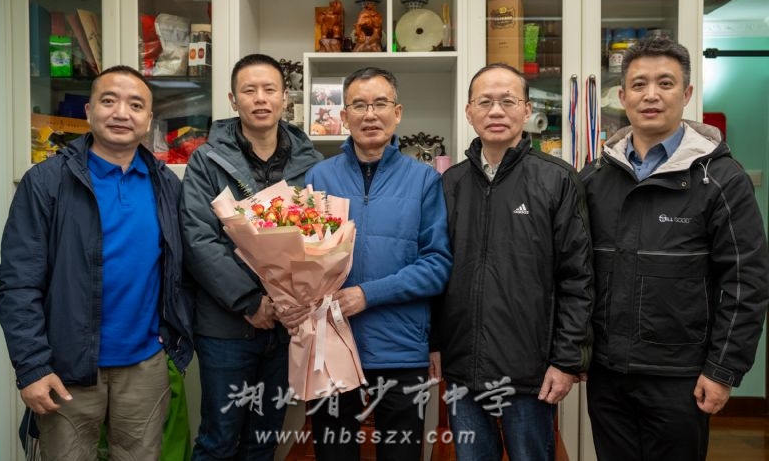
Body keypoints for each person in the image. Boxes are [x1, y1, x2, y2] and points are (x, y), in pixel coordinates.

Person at [580, 37, 769, 460]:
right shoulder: (595, 177)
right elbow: (576, 273)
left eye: (665, 83)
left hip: (681, 375)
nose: (651, 95)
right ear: (622, 97)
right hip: (608, 373)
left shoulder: (721, 179)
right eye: (639, 84)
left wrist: (722, 370)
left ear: (686, 94)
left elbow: (746, 282)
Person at [0, 65, 194, 460]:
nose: (121, 113)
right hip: (66, 367)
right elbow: (18, 284)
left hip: (145, 365)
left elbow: (180, 270)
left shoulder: (166, 185)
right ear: (89, 111)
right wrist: (32, 367)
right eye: (109, 101)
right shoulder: (47, 182)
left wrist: (171, 339)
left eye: (135, 105)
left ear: (148, 119)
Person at [279, 66, 452, 461]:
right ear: (344, 116)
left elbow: (437, 265)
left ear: (398, 113)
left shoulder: (424, 180)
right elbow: (299, 259)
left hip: (401, 347)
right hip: (332, 344)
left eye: (380, 104)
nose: (370, 114)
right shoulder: (319, 178)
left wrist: (367, 294)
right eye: (359, 105)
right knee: (333, 453)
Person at [431, 63, 594, 461]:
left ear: (526, 109)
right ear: (469, 111)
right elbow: (436, 270)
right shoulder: (450, 183)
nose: (496, 111)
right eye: (485, 102)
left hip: (531, 373)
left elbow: (577, 277)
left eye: (508, 101)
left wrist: (566, 361)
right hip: (463, 368)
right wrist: (434, 344)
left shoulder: (557, 179)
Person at [180, 53, 322, 460]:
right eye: (249, 90)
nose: (260, 98)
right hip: (226, 325)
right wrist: (249, 301)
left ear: (284, 98)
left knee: (264, 441)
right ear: (233, 99)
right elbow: (198, 239)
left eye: (269, 89)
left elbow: (318, 237)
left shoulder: (311, 163)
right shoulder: (206, 160)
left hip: (286, 326)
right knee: (218, 440)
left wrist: (292, 300)